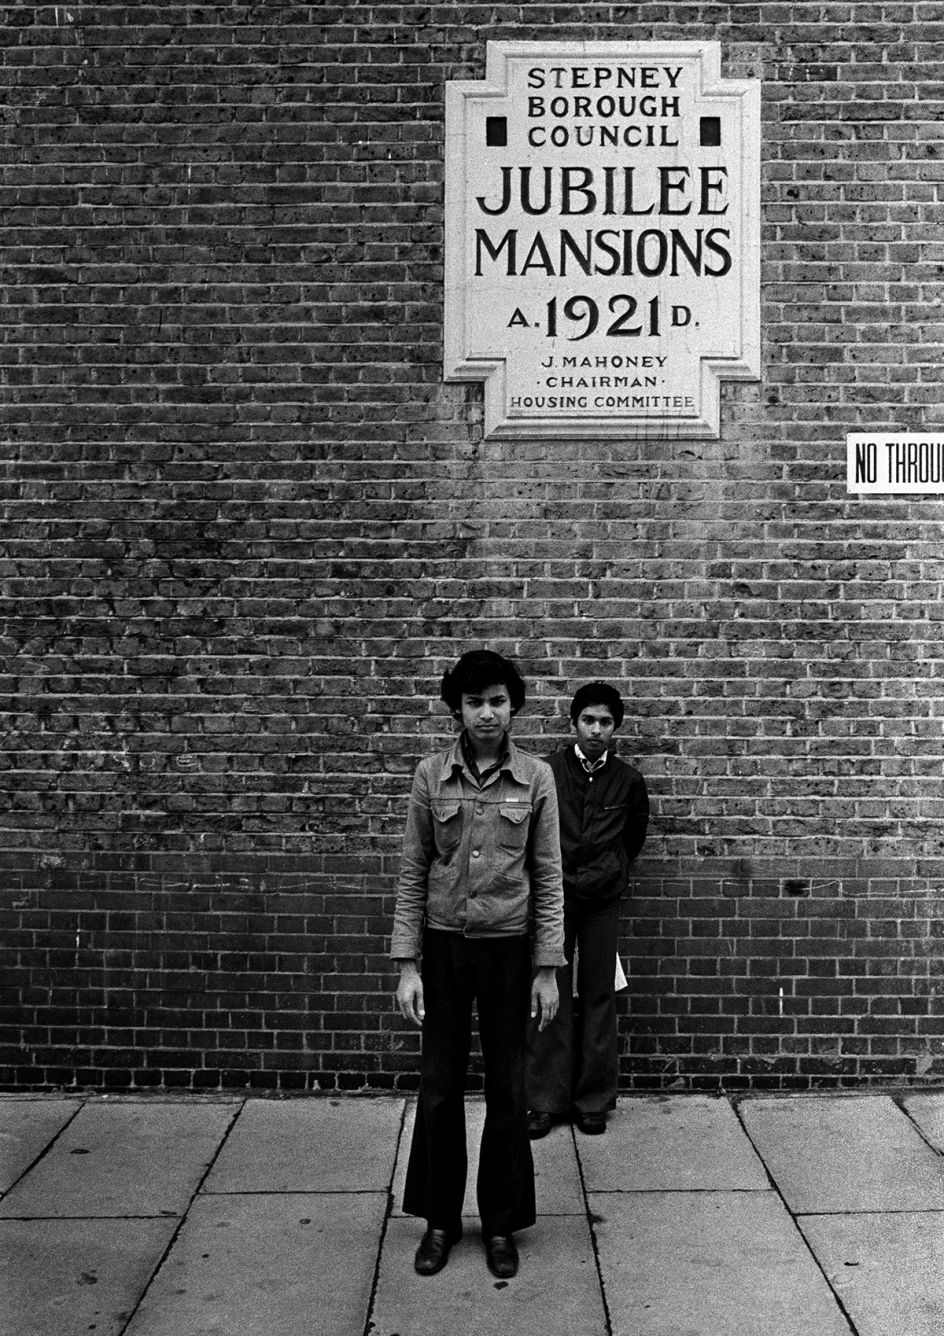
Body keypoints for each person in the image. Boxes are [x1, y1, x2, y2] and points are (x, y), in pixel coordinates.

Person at [391, 650, 565, 1280]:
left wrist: (546, 969)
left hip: (509, 950)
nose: (486, 713)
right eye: (474, 702)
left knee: (507, 1088)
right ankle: (440, 1220)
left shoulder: (536, 777)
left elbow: (548, 875)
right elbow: (413, 869)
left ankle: (499, 1224)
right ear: (457, 709)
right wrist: (407, 964)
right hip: (444, 947)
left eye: (496, 701)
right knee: (439, 1086)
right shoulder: (431, 775)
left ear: (512, 706)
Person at [526, 682, 648, 1138]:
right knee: (548, 992)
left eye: (606, 722)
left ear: (616, 728)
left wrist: (611, 870)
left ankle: (593, 1101)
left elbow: (633, 836)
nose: (596, 730)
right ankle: (544, 1101)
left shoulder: (627, 780)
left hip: (601, 899)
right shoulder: (548, 772)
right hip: (554, 899)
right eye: (589, 720)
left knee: (599, 995)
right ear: (574, 723)